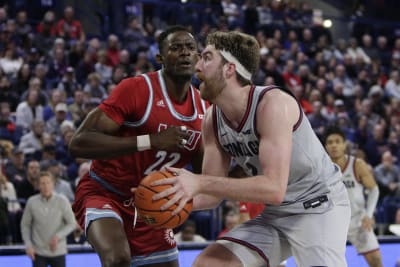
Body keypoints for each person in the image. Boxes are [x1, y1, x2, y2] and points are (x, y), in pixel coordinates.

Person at [152, 31, 351, 267]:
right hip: (276, 214)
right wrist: (162, 200)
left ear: (229, 69)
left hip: (319, 206)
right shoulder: (212, 120)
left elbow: (273, 188)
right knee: (210, 264)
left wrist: (198, 182)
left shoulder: (272, 104)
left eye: (206, 57)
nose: (197, 65)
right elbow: (211, 194)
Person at [69, 25, 207, 267]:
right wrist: (150, 141)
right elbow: (79, 143)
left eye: (190, 48)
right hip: (105, 191)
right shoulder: (136, 89)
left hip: (152, 205)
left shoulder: (205, 109)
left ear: (197, 57)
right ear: (160, 58)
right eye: (176, 48)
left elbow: (205, 175)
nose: (184, 53)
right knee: (118, 259)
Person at [324, 126, 383, 267]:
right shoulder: (321, 167)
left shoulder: (357, 164)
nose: (334, 145)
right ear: (325, 146)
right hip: (332, 223)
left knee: (375, 260)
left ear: (344, 145)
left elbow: (374, 189)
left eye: (337, 141)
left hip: (358, 221)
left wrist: (369, 215)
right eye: (330, 142)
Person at [20, 171, 76, 267]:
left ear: (53, 184)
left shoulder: (62, 201)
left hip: (58, 251)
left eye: (48, 183)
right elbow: (25, 225)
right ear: (38, 186)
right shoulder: (31, 202)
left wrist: (58, 236)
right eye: (42, 183)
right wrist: (28, 245)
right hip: (38, 252)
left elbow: (72, 223)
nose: (46, 186)